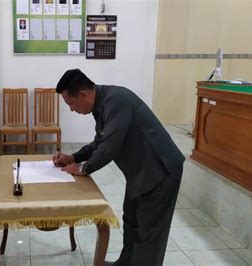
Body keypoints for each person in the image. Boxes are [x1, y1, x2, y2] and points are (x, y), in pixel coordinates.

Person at [53, 69, 185, 266]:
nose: (72, 109)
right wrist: (72, 157)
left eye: (71, 103)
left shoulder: (117, 100)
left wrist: (83, 168)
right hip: (139, 172)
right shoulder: (101, 106)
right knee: (131, 221)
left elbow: (110, 146)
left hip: (160, 170)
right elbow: (100, 142)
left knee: (149, 232)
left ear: (82, 94)